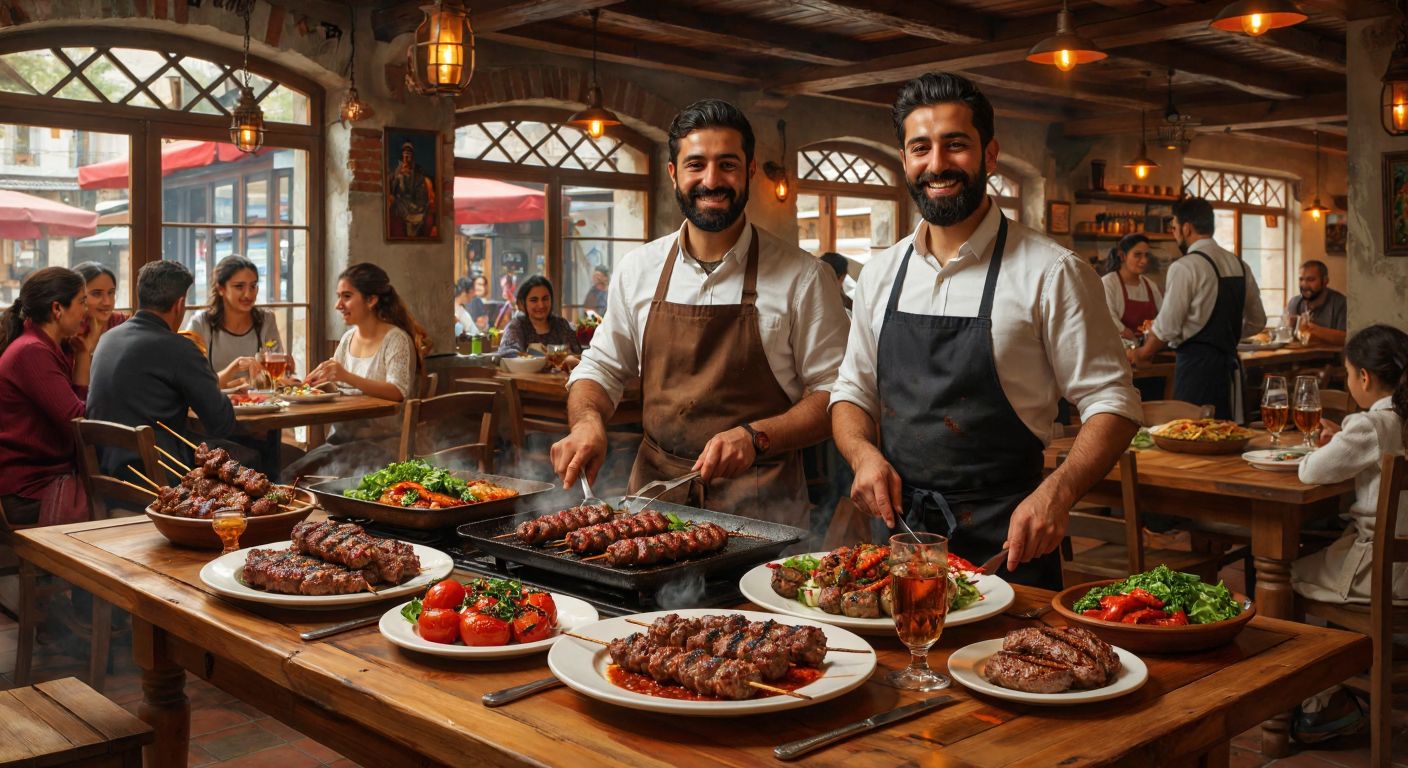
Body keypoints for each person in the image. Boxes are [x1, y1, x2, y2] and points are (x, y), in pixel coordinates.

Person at [829, 73, 1141, 588]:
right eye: (921, 148)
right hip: (901, 538)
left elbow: (1113, 401)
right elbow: (850, 392)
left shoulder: (1050, 270)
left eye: (956, 145)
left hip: (1012, 541)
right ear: (906, 161)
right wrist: (863, 456)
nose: (937, 164)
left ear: (990, 155)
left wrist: (1055, 495)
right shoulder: (880, 273)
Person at [553, 98, 849, 529]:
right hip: (652, 506)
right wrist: (586, 421)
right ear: (674, 173)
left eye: (727, 165)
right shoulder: (639, 269)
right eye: (696, 165)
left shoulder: (803, 278)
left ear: (748, 170)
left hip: (762, 510)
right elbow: (600, 369)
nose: (712, 180)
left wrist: (756, 436)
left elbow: (836, 394)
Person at [1288, 323, 1408, 743]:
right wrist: (1343, 440)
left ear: (1364, 377)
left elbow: (1309, 470)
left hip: (1383, 572)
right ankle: (1343, 676)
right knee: (1323, 556)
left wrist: (1330, 444)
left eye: (1347, 374)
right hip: (1402, 565)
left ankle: (1313, 700)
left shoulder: (1371, 424)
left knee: (1288, 572)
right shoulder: (1394, 420)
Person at [87, 260, 236, 477]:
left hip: (110, 473)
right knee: (255, 462)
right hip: (159, 479)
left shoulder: (108, 338)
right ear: (179, 304)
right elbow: (221, 423)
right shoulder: (179, 348)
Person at [283, 263, 426, 479]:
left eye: (347, 296)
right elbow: (337, 385)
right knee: (287, 474)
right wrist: (307, 385)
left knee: (293, 477)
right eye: (338, 296)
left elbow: (397, 391)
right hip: (341, 440)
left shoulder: (396, 339)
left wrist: (345, 375)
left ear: (371, 300)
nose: (338, 305)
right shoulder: (349, 338)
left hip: (382, 445)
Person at [1129, 196, 1266, 420]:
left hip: (1196, 372)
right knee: (1229, 438)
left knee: (1191, 441)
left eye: (1174, 228)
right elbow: (1258, 321)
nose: (1174, 235)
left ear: (1186, 227)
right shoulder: (1240, 264)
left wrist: (1142, 353)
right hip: (1230, 370)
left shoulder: (1185, 267)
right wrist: (1225, 336)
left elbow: (1168, 327)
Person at [0, 268, 92, 525]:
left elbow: (74, 410)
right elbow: (77, 422)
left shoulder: (44, 346)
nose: (86, 310)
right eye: (82, 301)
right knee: (119, 500)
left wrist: (83, 356)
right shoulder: (32, 352)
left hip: (40, 479)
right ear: (57, 309)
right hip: (29, 490)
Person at [182, 255, 287, 389]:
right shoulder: (200, 324)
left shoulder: (266, 320)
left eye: (253, 286)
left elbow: (276, 378)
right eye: (239, 286)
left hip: (259, 405)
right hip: (212, 408)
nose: (248, 294)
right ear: (221, 289)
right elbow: (192, 383)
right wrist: (234, 368)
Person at [499, 275, 582, 366]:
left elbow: (577, 353)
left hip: (563, 379)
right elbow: (507, 354)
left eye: (545, 299)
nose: (541, 305)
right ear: (523, 303)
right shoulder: (516, 326)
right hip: (527, 378)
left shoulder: (561, 324)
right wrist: (547, 358)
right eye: (534, 300)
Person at [1101, 234, 1162, 340]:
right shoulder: (1108, 283)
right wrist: (1130, 337)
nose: (1144, 261)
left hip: (1146, 351)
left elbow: (1162, 318)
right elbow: (1107, 318)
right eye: (1137, 255)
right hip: (1118, 350)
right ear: (1122, 256)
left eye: (1146, 255)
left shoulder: (1151, 286)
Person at [1285, 260, 1347, 346]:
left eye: (1310, 280)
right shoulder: (1294, 303)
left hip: (1330, 358)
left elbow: (1347, 338)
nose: (1304, 285)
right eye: (1301, 279)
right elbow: (1281, 337)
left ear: (1325, 281)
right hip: (1298, 358)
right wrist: (1288, 327)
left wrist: (1314, 330)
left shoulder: (1340, 303)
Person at [73, 261, 127, 355]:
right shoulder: (68, 330)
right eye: (96, 294)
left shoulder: (122, 323)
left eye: (111, 293)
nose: (108, 302)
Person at [387, 142, 436, 239]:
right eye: (405, 153)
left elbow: (421, 190)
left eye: (409, 153)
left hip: (416, 203)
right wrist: (399, 175)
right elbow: (392, 187)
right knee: (396, 206)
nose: (407, 156)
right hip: (402, 202)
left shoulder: (418, 171)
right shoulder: (397, 171)